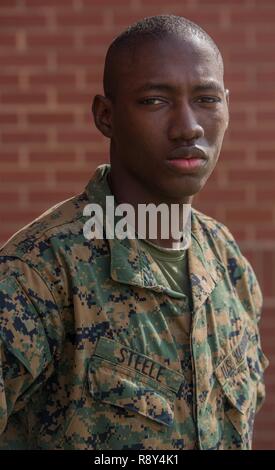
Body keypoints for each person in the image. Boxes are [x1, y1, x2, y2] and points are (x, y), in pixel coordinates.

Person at [0, 15, 268, 450]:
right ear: (106, 116)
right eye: (154, 101)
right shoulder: (39, 274)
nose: (188, 127)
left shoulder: (228, 262)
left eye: (206, 99)